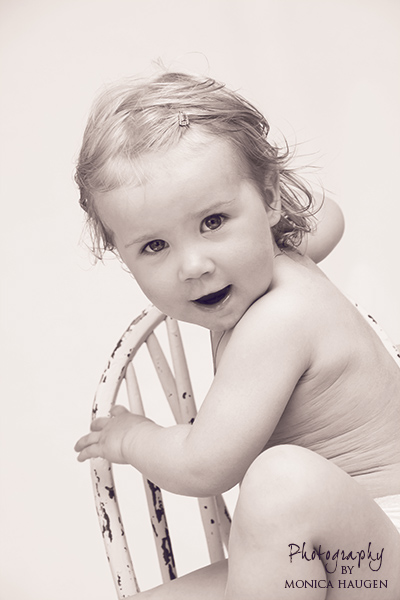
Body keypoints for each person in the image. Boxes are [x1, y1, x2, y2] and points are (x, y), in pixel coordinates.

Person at [74, 71, 400, 599]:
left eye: (213, 221)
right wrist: (251, 214)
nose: (194, 266)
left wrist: (131, 437)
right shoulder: (279, 255)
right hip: (322, 552)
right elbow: (329, 217)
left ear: (271, 198)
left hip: (375, 561)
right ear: (123, 255)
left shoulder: (279, 319)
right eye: (154, 246)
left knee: (280, 481)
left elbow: (203, 465)